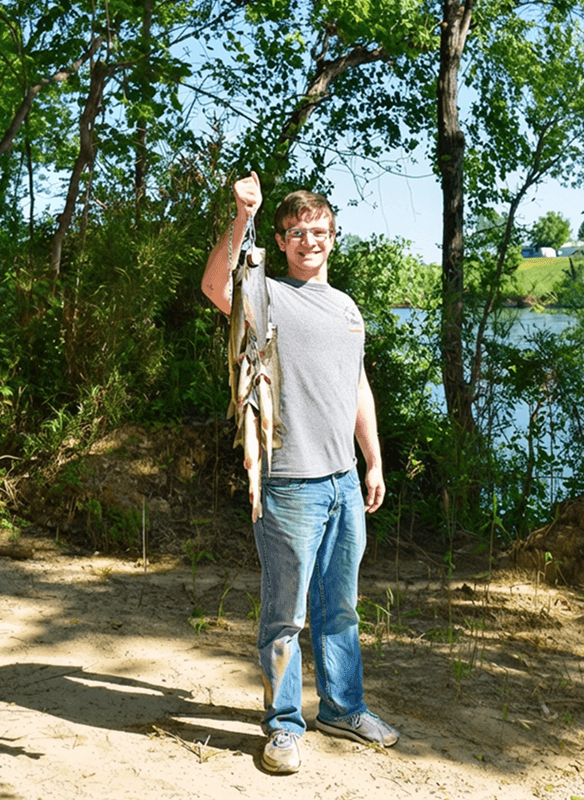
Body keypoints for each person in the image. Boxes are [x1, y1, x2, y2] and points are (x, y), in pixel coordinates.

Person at [201, 171, 398, 774]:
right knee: (285, 615)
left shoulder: (347, 307)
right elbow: (214, 286)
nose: (309, 241)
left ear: (333, 237)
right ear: (282, 242)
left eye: (319, 231)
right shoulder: (267, 295)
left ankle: (343, 708)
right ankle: (283, 726)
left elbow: (356, 387)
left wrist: (372, 460)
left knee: (341, 608)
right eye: (296, 233)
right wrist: (243, 216)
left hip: (342, 481)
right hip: (288, 483)